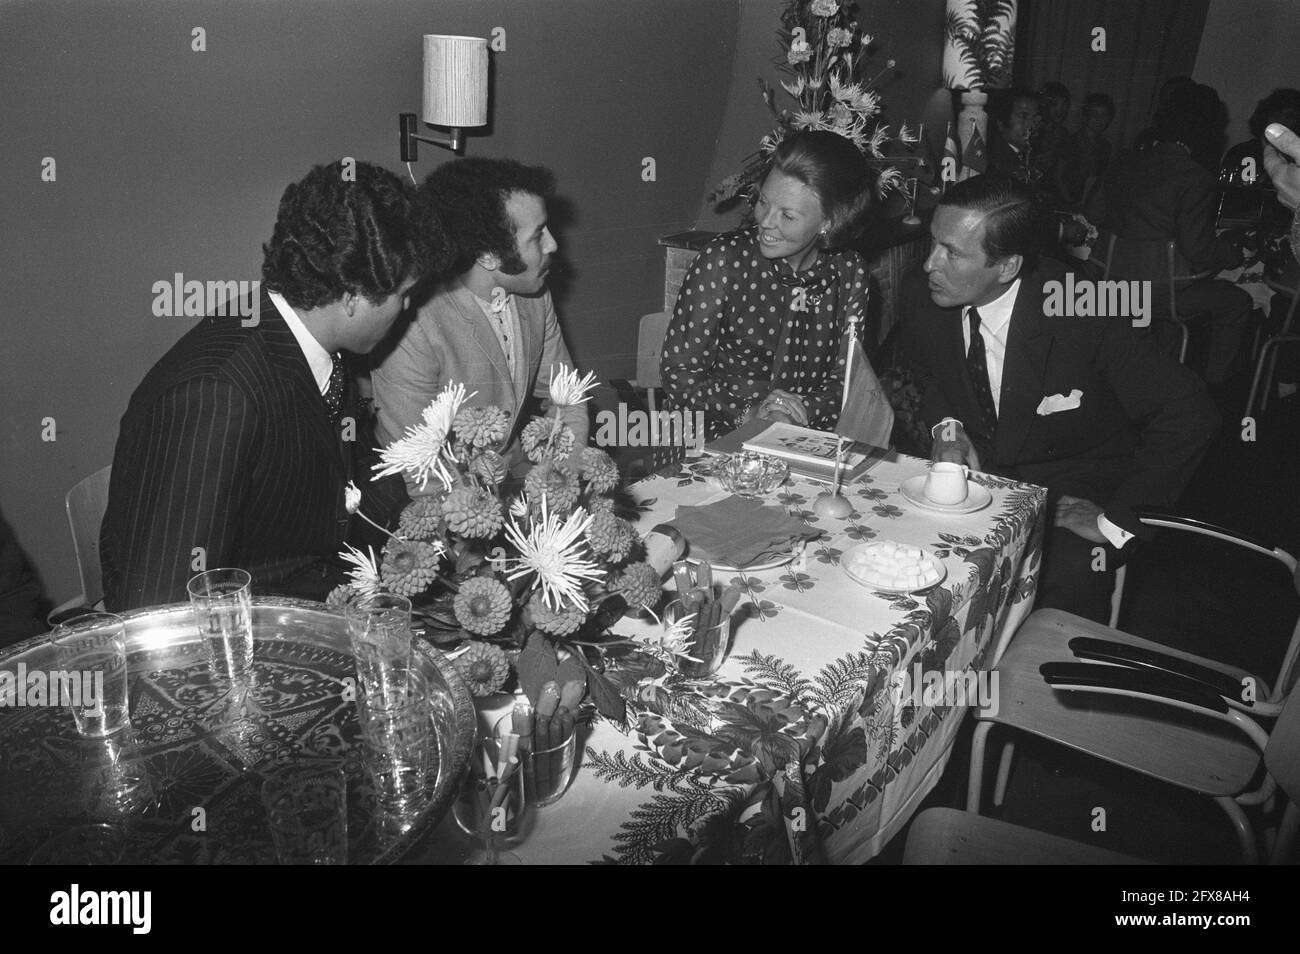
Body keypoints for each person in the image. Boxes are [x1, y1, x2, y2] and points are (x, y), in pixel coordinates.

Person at [101, 161, 432, 610]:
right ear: (353, 296)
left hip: (323, 597)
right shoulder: (217, 395)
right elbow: (165, 602)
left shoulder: (316, 341)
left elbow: (348, 482)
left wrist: (425, 536)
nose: (409, 308)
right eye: (404, 295)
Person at [901, 176, 1219, 623]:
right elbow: (931, 375)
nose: (929, 264)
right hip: (980, 477)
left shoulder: (1086, 305)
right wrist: (949, 430)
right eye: (932, 243)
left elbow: (1189, 412)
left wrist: (1115, 522)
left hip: (1072, 481)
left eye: (951, 252)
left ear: (1007, 267)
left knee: (1067, 586)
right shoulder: (923, 295)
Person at [370, 158, 587, 488]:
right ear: (488, 255)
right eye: (538, 235)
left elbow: (568, 401)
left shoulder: (534, 295)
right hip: (429, 499)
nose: (553, 244)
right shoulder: (413, 325)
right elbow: (420, 472)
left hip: (510, 478)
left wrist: (559, 486)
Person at [660, 130, 884, 441]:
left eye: (787, 216)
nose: (765, 222)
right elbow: (679, 372)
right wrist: (748, 414)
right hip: (716, 426)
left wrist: (794, 412)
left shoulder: (850, 272)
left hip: (805, 430)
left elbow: (847, 380)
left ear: (829, 221)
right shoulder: (723, 260)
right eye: (764, 202)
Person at [1099, 82, 1251, 389]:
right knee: (1237, 302)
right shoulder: (1195, 177)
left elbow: (1094, 214)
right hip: (1158, 294)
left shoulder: (1124, 160)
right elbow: (1199, 252)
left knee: (1170, 298)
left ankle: (1155, 376)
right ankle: (1211, 388)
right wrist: (1231, 252)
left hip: (1109, 284)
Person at [1061, 92, 1114, 210]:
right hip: (1067, 200)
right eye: (1094, 114)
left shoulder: (1106, 146)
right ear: (1085, 117)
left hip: (1089, 203)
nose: (1099, 119)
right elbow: (1058, 176)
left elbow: (1099, 179)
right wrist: (1070, 201)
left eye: (1104, 115)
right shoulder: (1071, 141)